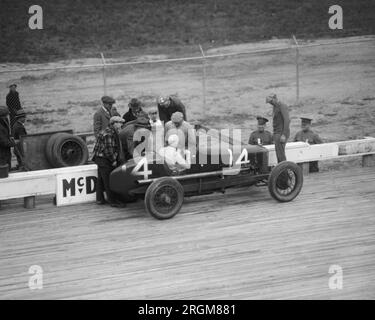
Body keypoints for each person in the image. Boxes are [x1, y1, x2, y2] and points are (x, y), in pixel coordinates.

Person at [92, 116, 126, 207]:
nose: (121, 124)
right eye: (119, 123)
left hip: (99, 157)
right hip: (104, 159)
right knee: (108, 181)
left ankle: (100, 199)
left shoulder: (107, 131)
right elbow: (109, 149)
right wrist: (113, 160)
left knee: (101, 180)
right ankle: (113, 201)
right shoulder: (109, 134)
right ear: (114, 123)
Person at [266, 93, 290, 163]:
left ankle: (285, 171)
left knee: (281, 156)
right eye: (269, 102)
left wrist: (284, 135)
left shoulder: (282, 105)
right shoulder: (275, 106)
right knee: (279, 155)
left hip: (281, 133)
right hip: (277, 133)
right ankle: (281, 171)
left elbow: (287, 120)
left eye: (271, 101)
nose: (270, 103)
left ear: (275, 99)